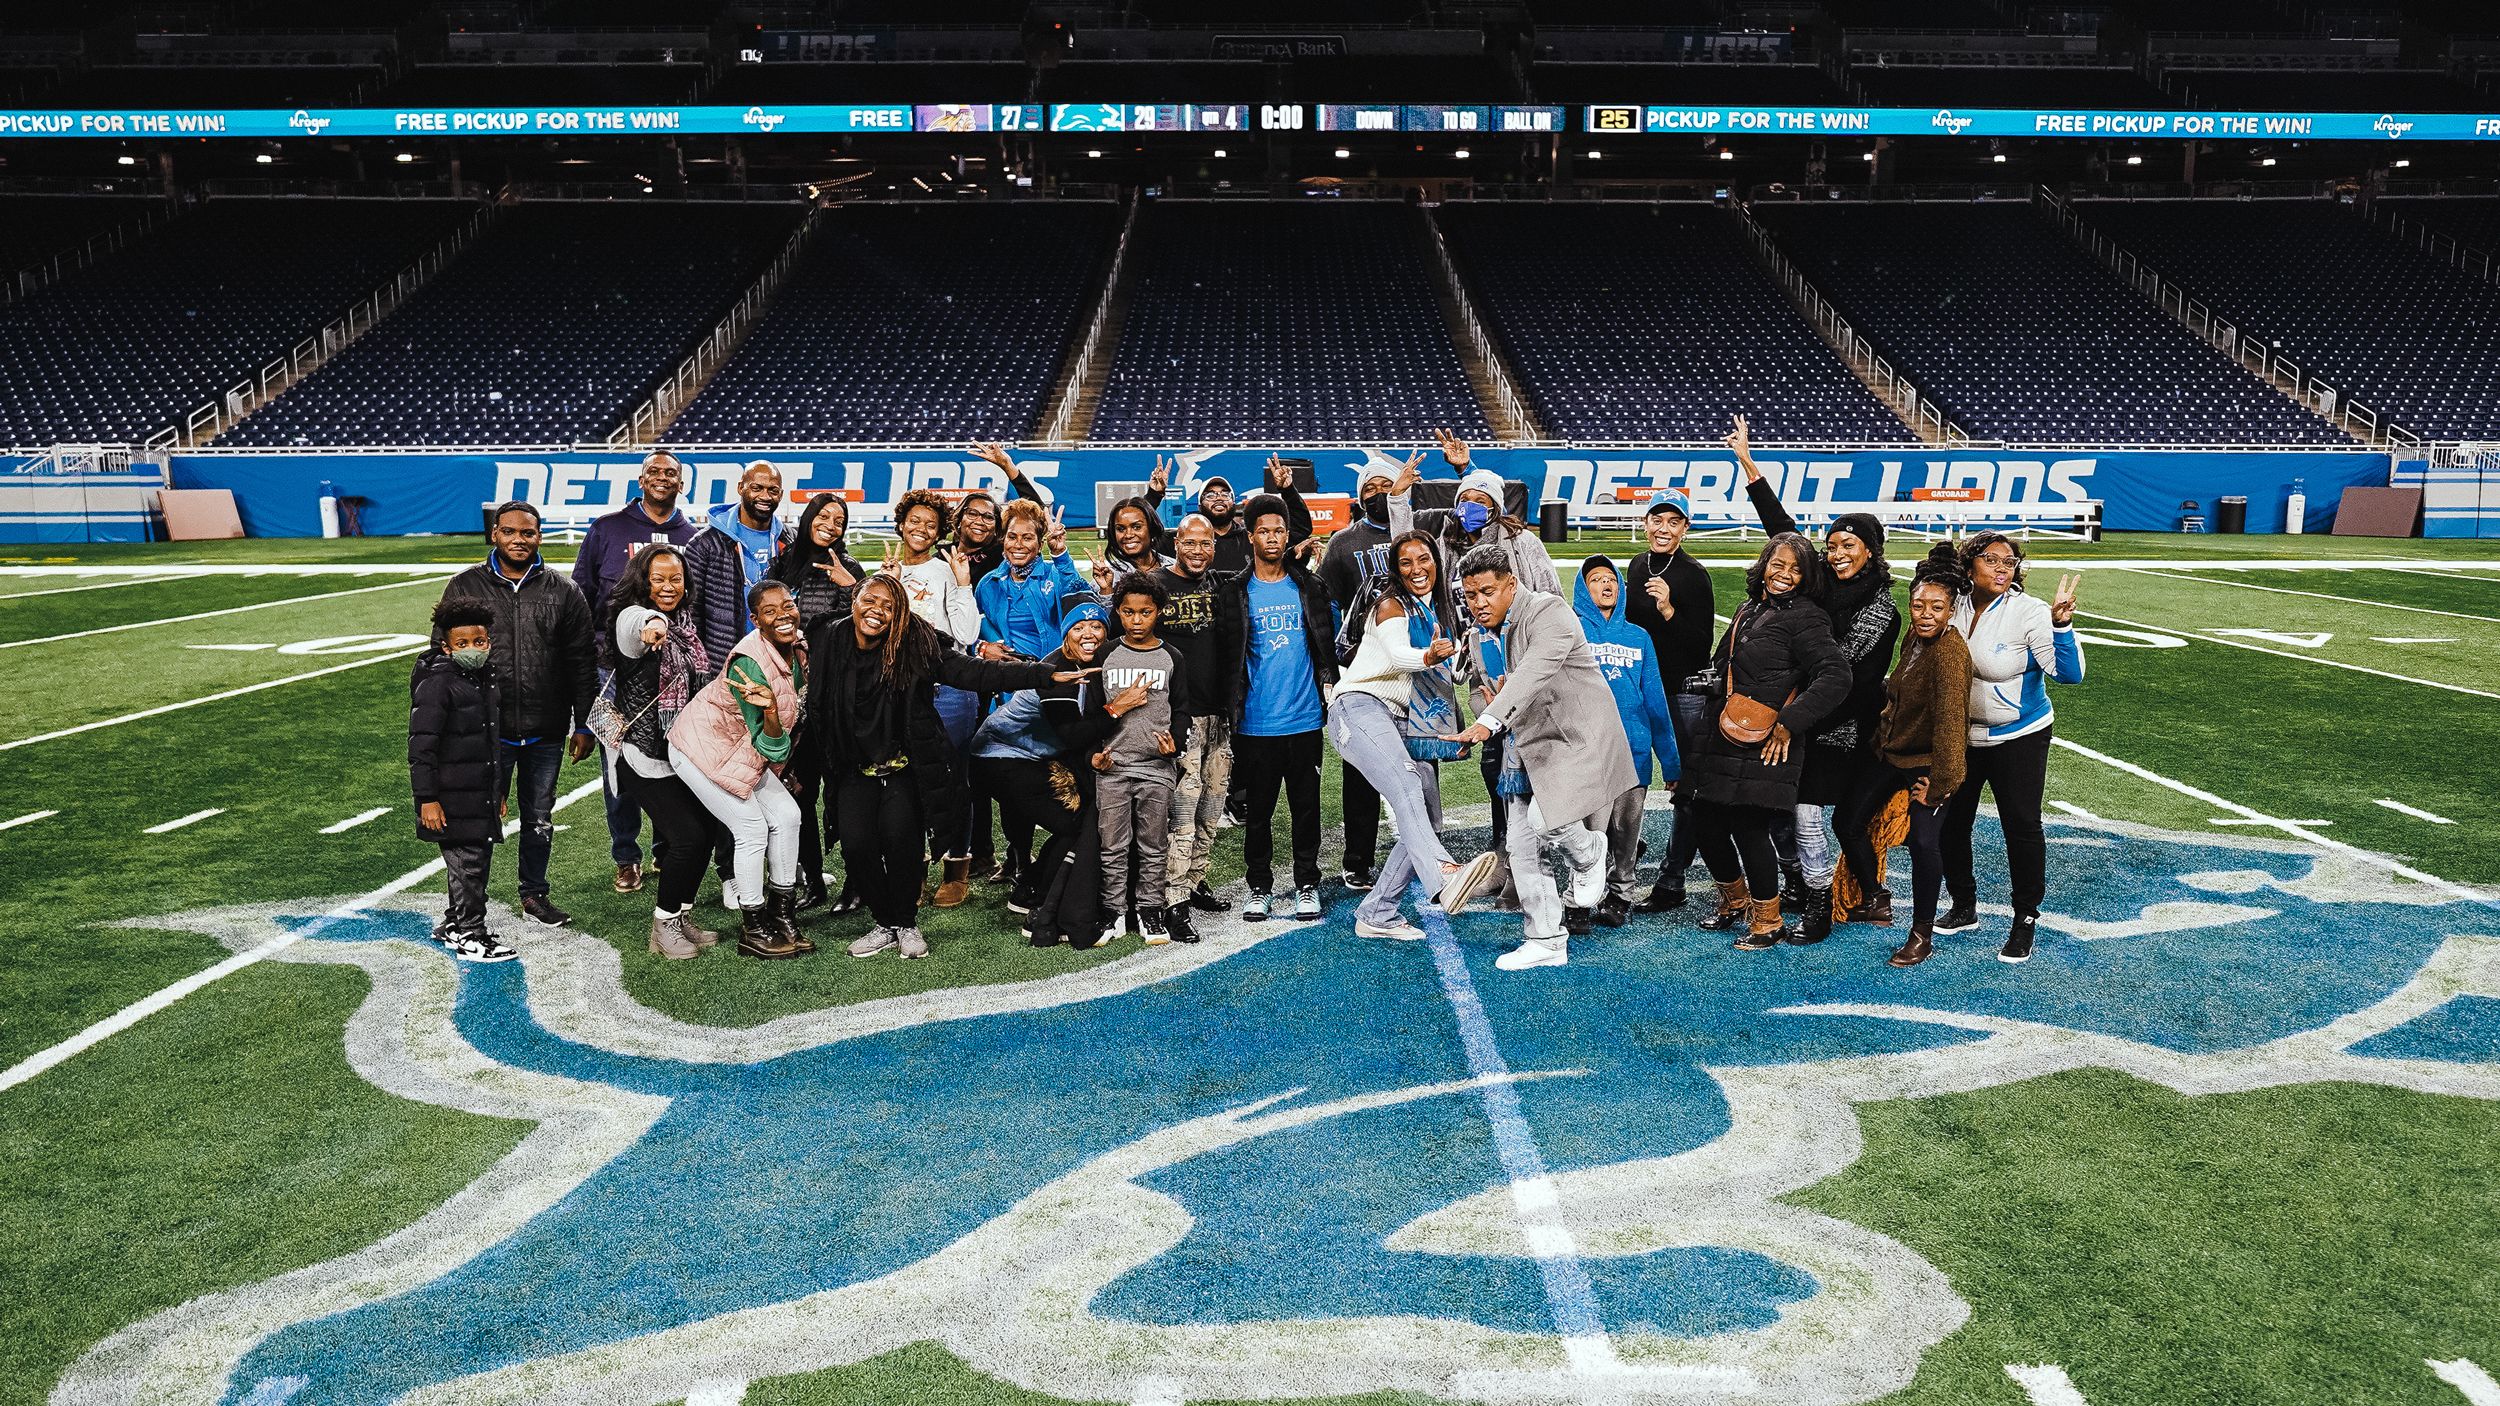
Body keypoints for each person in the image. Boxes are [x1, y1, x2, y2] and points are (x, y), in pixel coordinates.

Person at [808, 573, 1073, 960]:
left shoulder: (914, 644)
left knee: (903, 844)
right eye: (871, 601)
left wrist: (1043, 675)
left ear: (900, 614)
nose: (877, 612)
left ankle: (906, 924)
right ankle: (885, 924)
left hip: (903, 767)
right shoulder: (830, 639)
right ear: (854, 601)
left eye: (889, 606)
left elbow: (974, 672)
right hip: (854, 768)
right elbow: (814, 701)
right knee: (856, 846)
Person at [1726, 415, 1901, 941]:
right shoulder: (1820, 582)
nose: (1838, 552)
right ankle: (1807, 883)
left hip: (1839, 726)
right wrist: (1750, 466)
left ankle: (1822, 901)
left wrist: (1795, 718)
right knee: (1785, 808)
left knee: (1806, 811)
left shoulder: (1881, 607)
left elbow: (1848, 676)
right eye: (1834, 544)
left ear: (1871, 551)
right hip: (1800, 717)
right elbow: (1784, 535)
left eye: (1851, 545)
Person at [1443, 544, 1638, 972]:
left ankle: (1590, 855)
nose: (1478, 603)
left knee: (1545, 822)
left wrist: (1489, 722)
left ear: (1511, 584)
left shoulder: (1549, 612)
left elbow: (1535, 671)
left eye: (1487, 592)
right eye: (1470, 595)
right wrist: (1483, 713)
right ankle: (1546, 938)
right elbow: (1480, 688)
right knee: (1522, 846)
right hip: (1525, 745)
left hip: (1574, 737)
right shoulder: (1477, 636)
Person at [1392, 430, 1562, 880]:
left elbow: (1551, 600)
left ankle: (1545, 852)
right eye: (1463, 501)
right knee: (1496, 761)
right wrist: (1399, 497)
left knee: (1531, 759)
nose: (1469, 510)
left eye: (1480, 505)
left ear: (1496, 510)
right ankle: (1507, 854)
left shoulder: (1520, 542)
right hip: (1475, 673)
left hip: (1523, 668)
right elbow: (1405, 551)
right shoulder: (1447, 544)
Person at [1329, 531, 1503, 941]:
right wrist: (1428, 655)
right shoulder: (1389, 604)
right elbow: (1398, 656)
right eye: (1406, 563)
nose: (1416, 569)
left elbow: (1454, 673)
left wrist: (1469, 655)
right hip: (1359, 706)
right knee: (1407, 785)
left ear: (1437, 563)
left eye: (1424, 559)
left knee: (1429, 819)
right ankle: (1445, 874)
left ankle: (1378, 912)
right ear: (1396, 569)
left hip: (1404, 721)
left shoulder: (1438, 614)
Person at [1682, 534, 1853, 952]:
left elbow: (1837, 676)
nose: (1785, 575)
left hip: (1766, 739)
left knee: (1749, 826)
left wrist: (1789, 723)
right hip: (1722, 731)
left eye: (1796, 569)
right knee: (1703, 820)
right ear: (1765, 564)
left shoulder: (1807, 617)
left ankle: (1768, 920)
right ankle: (1735, 901)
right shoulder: (1748, 607)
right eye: (1779, 565)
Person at [431, 500, 597, 930]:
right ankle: (464, 910)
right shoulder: (464, 586)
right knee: (476, 820)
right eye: (510, 532)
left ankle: (534, 895)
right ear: (494, 535)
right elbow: (441, 657)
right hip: (486, 731)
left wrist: (584, 723)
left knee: (539, 818)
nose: (519, 540)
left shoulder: (563, 590)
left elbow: (581, 660)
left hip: (545, 727)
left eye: (528, 533)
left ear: (539, 536)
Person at [1938, 533, 2084, 964]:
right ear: (1969, 567)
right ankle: (1963, 905)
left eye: (2010, 561)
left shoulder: (2030, 612)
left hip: (2019, 735)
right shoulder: (1955, 605)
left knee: (2020, 825)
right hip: (1960, 735)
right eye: (1992, 560)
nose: (2003, 568)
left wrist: (2061, 625)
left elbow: (2069, 674)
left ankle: (2025, 919)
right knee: (1951, 821)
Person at [573, 451, 706, 894]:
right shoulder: (607, 528)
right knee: (621, 759)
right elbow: (583, 595)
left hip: (675, 672)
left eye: (671, 472)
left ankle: (667, 849)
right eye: (654, 471)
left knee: (673, 759)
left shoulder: (693, 536)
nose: (662, 478)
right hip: (614, 666)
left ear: (682, 482)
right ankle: (625, 854)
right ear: (640, 477)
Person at [1836, 545, 1972, 968]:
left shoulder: (1950, 654)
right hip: (1894, 755)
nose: (1926, 614)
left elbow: (1952, 723)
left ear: (1951, 611)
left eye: (1936, 607)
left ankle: (1921, 934)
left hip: (1929, 765)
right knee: (1846, 820)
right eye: (1918, 605)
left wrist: (1943, 784)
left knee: (1924, 843)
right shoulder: (1914, 637)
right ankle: (1876, 897)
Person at [667, 580, 809, 960]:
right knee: (750, 828)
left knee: (789, 816)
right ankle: (754, 925)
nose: (783, 615)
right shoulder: (749, 662)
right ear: (755, 620)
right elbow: (769, 741)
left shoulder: (796, 646)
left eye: (788, 604)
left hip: (739, 749)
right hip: (700, 748)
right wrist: (770, 712)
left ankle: (782, 915)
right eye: (770, 611)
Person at [970, 600, 1122, 949]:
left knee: (1085, 819)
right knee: (1077, 826)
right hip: (1001, 757)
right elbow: (1072, 734)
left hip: (1033, 755)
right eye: (1078, 628)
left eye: (1097, 626)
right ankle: (1038, 898)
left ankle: (1031, 884)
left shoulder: (1099, 664)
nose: (1088, 634)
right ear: (1065, 634)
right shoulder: (1057, 669)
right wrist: (1117, 708)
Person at [599, 543, 722, 960]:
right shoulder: (631, 620)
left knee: (704, 834)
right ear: (642, 581)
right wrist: (652, 623)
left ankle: (682, 915)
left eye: (676, 578)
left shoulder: (685, 624)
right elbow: (638, 624)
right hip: (644, 754)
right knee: (686, 837)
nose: (669, 586)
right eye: (658, 579)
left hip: (682, 752)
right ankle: (664, 926)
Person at [1227, 493, 1339, 922]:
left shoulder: (1308, 586)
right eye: (1264, 531)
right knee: (1258, 815)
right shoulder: (1235, 591)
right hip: (1255, 724)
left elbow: (1329, 640)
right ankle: (1260, 887)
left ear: (1287, 536)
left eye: (1279, 531)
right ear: (1250, 536)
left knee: (1306, 810)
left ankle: (1306, 884)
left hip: (1305, 720)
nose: (1272, 538)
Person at [1318, 452, 1422, 893]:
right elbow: (1324, 604)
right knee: (1363, 766)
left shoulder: (1418, 531)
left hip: (1415, 664)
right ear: (1360, 498)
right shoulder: (1343, 542)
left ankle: (1419, 847)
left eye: (1385, 487)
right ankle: (1358, 858)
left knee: (1415, 762)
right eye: (1369, 490)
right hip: (1365, 666)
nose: (1378, 495)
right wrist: (1330, 665)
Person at [883, 488, 985, 907]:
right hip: (904, 693)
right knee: (910, 784)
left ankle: (957, 868)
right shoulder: (886, 573)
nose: (921, 529)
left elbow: (966, 636)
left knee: (954, 781)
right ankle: (917, 867)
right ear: (901, 524)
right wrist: (886, 586)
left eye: (931, 524)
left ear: (940, 530)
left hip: (950, 693)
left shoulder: (947, 570)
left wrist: (962, 583)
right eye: (915, 521)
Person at [1571, 555, 1681, 930]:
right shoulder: (1571, 633)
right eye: (1596, 580)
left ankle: (1621, 895)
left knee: (1626, 832)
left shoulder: (1638, 636)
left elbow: (1655, 700)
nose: (1606, 586)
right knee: (1589, 833)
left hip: (1633, 752)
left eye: (1612, 580)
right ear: (1582, 590)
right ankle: (1580, 898)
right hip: (1589, 752)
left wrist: (1671, 762)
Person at [1623, 488, 1717, 913]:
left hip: (1681, 693)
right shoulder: (1637, 564)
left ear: (1685, 528)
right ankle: (1625, 850)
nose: (1663, 529)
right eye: (1657, 520)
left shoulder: (1694, 576)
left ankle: (1671, 881)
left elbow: (1702, 648)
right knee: (1623, 774)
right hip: (1638, 690)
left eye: (1673, 522)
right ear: (1645, 523)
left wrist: (1668, 609)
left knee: (1685, 788)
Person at [409, 599, 516, 964]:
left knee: (475, 863)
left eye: (480, 641)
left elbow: (491, 742)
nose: (473, 649)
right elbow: (421, 747)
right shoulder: (437, 684)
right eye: (463, 644)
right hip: (450, 798)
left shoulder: (485, 679)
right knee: (468, 865)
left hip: (478, 793)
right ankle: (472, 934)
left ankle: (455, 924)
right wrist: (427, 799)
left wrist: (498, 790)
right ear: (446, 646)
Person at [1090, 573, 1190, 945]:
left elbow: (1181, 710)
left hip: (1156, 768)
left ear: (1158, 612)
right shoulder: (1106, 654)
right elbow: (1093, 714)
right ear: (1117, 612)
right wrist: (1094, 756)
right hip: (1114, 768)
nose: (1136, 620)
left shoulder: (1172, 657)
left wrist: (1174, 745)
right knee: (1112, 844)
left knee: (1153, 843)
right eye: (1128, 612)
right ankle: (1113, 912)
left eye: (1145, 612)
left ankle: (1151, 910)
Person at [1153, 513, 1240, 936]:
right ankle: (1173, 900)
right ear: (1176, 542)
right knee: (1182, 813)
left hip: (1219, 719)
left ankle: (1193, 880)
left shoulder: (1221, 585)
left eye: (1206, 543)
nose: (1199, 551)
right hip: (1179, 718)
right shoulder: (1156, 585)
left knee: (1211, 809)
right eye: (1190, 543)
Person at [976, 498, 1090, 661]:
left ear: (1040, 544)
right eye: (1012, 537)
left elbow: (1083, 602)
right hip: (1006, 679)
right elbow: (969, 631)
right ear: (1004, 540)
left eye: (1027, 538)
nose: (1018, 544)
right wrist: (982, 647)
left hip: (1052, 675)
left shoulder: (1055, 574)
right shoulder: (988, 584)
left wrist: (1061, 555)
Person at [708, 460, 793, 593]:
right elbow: (694, 602)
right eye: (756, 488)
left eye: (773, 491)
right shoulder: (707, 541)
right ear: (740, 488)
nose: (765, 496)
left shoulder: (791, 540)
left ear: (781, 495)